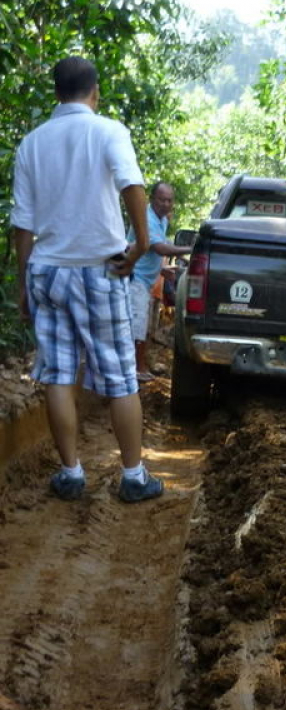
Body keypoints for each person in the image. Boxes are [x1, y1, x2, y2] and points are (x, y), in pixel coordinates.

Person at [11, 55, 164, 503]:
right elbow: (131, 184)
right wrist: (139, 245)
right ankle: (133, 477)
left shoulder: (32, 143)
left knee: (59, 375)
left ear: (56, 92)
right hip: (100, 270)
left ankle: (71, 473)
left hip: (49, 272)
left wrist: (24, 284)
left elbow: (23, 224)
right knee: (119, 377)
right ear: (95, 91)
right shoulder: (108, 131)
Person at [127, 181, 190, 381]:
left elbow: (150, 250)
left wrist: (162, 269)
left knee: (142, 325)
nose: (165, 204)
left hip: (145, 280)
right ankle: (134, 370)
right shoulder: (147, 217)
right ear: (152, 199)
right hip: (133, 276)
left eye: (169, 200)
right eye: (161, 199)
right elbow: (159, 248)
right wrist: (190, 249)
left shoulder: (161, 219)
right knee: (136, 325)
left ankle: (138, 366)